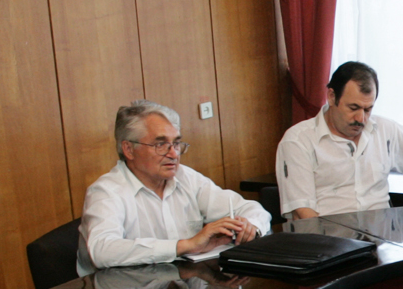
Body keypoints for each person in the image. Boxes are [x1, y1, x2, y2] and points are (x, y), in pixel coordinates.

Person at [78, 99, 270, 273]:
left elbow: (251, 208)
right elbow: (102, 250)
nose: (173, 154)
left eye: (176, 143)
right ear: (129, 149)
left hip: (184, 284)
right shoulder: (106, 191)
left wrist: (250, 226)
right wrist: (186, 245)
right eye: (160, 145)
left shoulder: (186, 177)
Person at [276, 61, 403, 219]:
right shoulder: (298, 141)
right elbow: (302, 214)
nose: (361, 119)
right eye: (353, 108)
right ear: (331, 97)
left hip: (381, 240)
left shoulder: (384, 131)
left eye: (367, 109)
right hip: (329, 240)